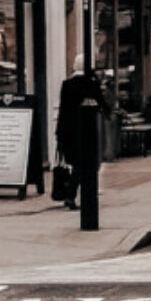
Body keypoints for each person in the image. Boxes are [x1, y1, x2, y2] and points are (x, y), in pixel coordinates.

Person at [54, 58, 101, 212]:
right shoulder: (90, 83)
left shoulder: (67, 84)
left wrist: (59, 133)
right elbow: (100, 102)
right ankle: (72, 194)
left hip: (67, 132)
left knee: (76, 164)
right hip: (86, 131)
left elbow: (63, 109)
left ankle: (73, 195)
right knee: (87, 165)